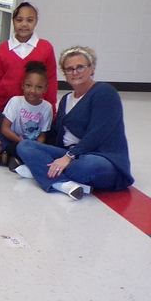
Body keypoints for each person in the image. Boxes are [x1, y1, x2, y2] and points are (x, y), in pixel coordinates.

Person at [17, 46, 133, 200]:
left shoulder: (104, 92)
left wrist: (69, 156)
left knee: (85, 166)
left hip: (101, 158)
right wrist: (39, 148)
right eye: (69, 69)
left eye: (80, 67)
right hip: (70, 154)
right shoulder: (66, 99)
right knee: (24, 146)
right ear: (65, 74)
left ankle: (38, 171)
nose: (75, 72)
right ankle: (62, 183)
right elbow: (56, 132)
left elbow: (98, 133)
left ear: (92, 68)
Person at [0, 2, 58, 112]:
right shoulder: (2, 49)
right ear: (13, 21)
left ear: (36, 21)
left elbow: (51, 79)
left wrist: (51, 109)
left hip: (37, 110)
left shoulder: (46, 48)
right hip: (6, 109)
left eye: (30, 20)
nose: (24, 24)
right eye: (19, 20)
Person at [1, 61, 53, 171]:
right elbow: (5, 128)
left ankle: (21, 162)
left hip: (34, 146)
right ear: (22, 85)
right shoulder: (15, 101)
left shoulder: (47, 107)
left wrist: (36, 148)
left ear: (45, 88)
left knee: (50, 149)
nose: (33, 91)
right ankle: (22, 160)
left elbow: (42, 135)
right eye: (29, 85)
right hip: (17, 142)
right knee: (8, 146)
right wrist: (23, 143)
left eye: (39, 87)